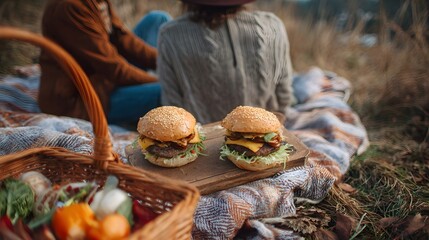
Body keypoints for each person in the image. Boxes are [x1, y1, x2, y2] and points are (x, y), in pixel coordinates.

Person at [157, 0, 296, 124]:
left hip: (201, 140)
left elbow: (171, 106)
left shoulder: (169, 34)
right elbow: (284, 96)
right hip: (264, 134)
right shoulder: (273, 25)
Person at [38, 0, 171, 126]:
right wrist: (165, 81)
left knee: (158, 19)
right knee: (168, 91)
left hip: (106, 79)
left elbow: (122, 38)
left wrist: (172, 61)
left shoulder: (98, 2)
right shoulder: (70, 7)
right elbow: (115, 69)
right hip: (85, 98)